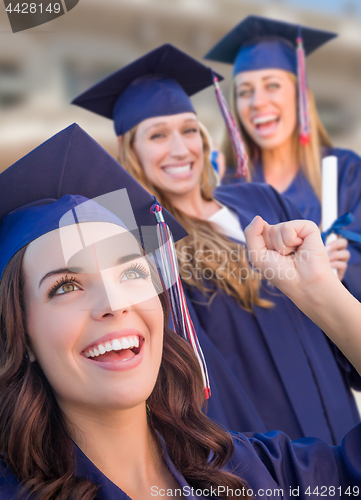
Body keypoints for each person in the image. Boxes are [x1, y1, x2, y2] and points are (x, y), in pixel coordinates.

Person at [0, 124, 361, 500]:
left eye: (131, 271)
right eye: (66, 287)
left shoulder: (252, 472)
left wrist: (320, 292)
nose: (114, 303)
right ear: (21, 334)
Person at [72, 44, 360, 445]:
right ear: (131, 152)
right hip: (272, 450)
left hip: (343, 421)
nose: (180, 149)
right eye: (158, 135)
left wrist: (329, 281)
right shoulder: (149, 243)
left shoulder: (263, 201)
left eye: (189, 129)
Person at [204, 15, 361, 300]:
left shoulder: (347, 173)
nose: (257, 102)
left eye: (272, 85)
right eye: (244, 92)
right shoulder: (225, 187)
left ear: (301, 95)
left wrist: (342, 271)